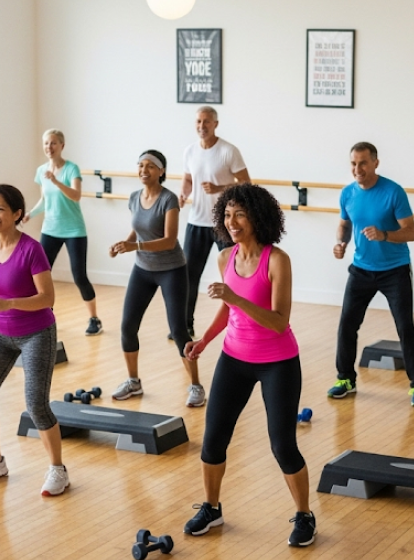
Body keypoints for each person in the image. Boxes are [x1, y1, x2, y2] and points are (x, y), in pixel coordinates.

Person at [182, 184, 315, 547]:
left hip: (278, 362)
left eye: (240, 214)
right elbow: (227, 310)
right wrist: (205, 341)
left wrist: (235, 296)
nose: (233, 221)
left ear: (257, 217)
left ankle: (304, 514)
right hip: (234, 358)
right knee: (212, 441)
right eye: (227, 215)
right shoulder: (226, 258)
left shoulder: (276, 260)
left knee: (283, 445)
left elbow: (278, 321)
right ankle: (211, 507)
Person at [0, 184, 68, 496]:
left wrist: (10, 303)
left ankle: (58, 470)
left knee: (36, 404)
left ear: (17, 214)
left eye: (0, 209)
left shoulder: (31, 249)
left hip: (36, 333)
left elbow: (47, 297)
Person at [328, 142, 414, 406]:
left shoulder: (393, 192)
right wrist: (341, 243)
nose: (357, 169)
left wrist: (384, 234)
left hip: (394, 271)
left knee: (405, 327)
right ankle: (345, 379)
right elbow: (344, 224)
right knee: (347, 324)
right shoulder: (348, 194)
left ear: (375, 163)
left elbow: (411, 232)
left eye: (363, 163)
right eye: (353, 163)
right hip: (361, 269)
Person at [111, 150, 204, 407]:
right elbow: (137, 229)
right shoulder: (134, 198)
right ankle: (133, 382)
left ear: (161, 171)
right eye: (140, 165)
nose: (144, 170)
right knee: (127, 326)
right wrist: (124, 244)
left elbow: (169, 240)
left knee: (178, 330)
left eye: (150, 166)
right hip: (143, 270)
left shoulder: (169, 199)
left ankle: (196, 386)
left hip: (171, 269)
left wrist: (135, 247)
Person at [180, 106, 250, 337]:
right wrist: (183, 195)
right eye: (198, 122)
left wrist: (220, 188)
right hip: (196, 223)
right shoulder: (189, 151)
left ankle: (240, 322)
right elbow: (188, 180)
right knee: (189, 275)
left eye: (207, 122)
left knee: (234, 275)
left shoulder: (228, 151)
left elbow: (246, 183)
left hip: (225, 225)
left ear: (215, 124)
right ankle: (185, 324)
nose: (202, 126)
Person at [26, 128, 102, 336]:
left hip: (74, 230)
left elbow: (76, 195)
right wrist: (29, 215)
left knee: (79, 275)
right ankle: (44, 315)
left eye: (53, 143)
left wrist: (57, 181)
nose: (49, 147)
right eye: (46, 144)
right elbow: (45, 200)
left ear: (62, 146)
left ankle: (94, 318)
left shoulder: (72, 169)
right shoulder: (41, 171)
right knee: (41, 274)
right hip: (50, 229)